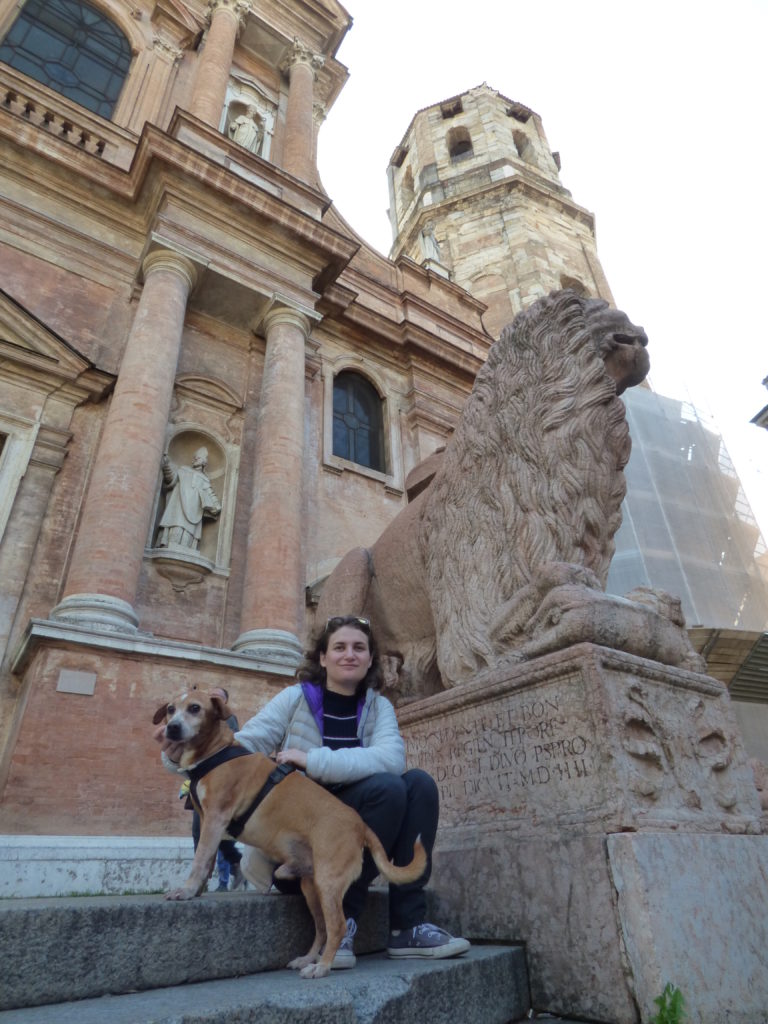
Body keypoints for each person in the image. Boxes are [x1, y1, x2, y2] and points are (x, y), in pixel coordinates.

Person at [233, 614, 470, 968]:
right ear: (323, 658)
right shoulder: (294, 699)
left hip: (351, 849)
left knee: (418, 783)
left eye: (359, 648)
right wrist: (184, 753)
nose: (350, 654)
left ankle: (407, 925)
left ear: (370, 659)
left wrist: (311, 759)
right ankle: (340, 927)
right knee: (387, 790)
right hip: (298, 860)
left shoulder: (378, 706)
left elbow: (391, 758)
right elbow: (240, 747)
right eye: (339, 647)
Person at [180, 686, 245, 892]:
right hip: (201, 782)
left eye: (217, 696)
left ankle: (211, 876)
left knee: (214, 829)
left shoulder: (228, 720)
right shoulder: (193, 720)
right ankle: (205, 878)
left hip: (221, 786)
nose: (211, 697)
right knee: (200, 831)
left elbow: (232, 746)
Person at [157, 447, 221, 551]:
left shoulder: (204, 479)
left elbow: (210, 494)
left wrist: (216, 505)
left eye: (198, 458)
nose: (195, 459)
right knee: (176, 524)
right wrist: (167, 465)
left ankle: (185, 548)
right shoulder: (183, 470)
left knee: (189, 532)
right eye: (195, 458)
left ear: (204, 462)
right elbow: (171, 477)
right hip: (179, 507)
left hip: (195, 509)